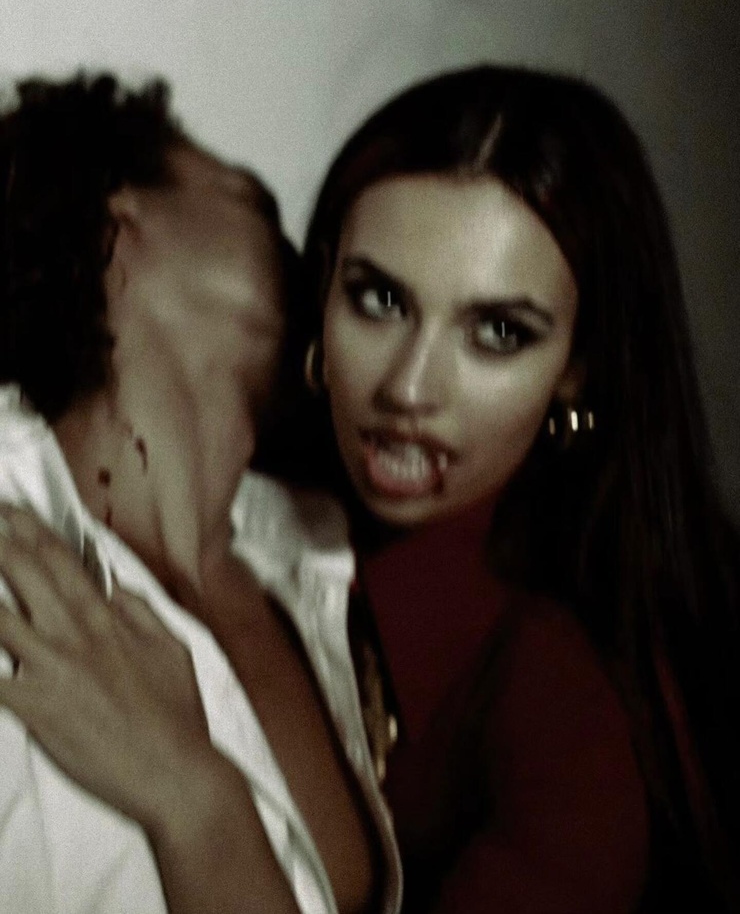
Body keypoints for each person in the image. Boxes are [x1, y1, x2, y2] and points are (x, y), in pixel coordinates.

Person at [2, 65, 739, 913]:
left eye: (500, 331)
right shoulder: (284, 530)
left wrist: (196, 802)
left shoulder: (564, 697)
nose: (408, 389)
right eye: (378, 297)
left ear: (578, 366)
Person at [0, 74, 400, 914]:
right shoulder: (14, 569)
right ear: (118, 224)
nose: (312, 258)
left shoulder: (321, 563)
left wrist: (197, 802)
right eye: (256, 204)